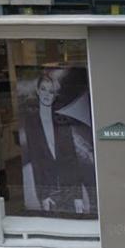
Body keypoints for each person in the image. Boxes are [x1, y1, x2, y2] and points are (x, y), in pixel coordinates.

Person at [19, 68, 95, 216]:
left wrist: (78, 196)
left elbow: (72, 160)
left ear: (55, 95)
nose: (47, 94)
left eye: (51, 91)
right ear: (38, 91)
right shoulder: (31, 123)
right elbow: (36, 161)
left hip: (69, 188)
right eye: (43, 89)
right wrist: (43, 195)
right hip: (49, 190)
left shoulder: (62, 120)